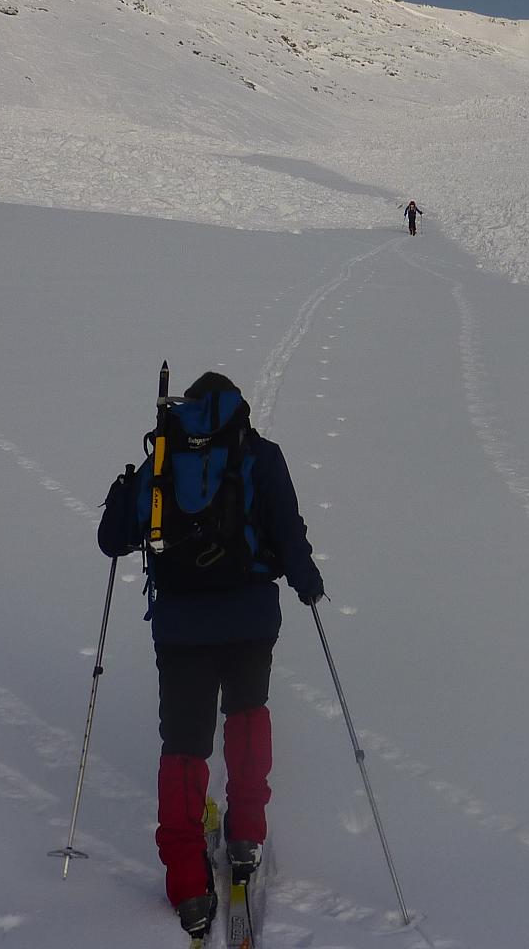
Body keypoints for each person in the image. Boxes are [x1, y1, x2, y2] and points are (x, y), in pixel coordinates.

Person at [97, 371, 325, 939]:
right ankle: (245, 836)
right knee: (247, 718)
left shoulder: (163, 458)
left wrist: (125, 488)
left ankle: (187, 885)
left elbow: (111, 539)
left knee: (184, 746)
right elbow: (288, 529)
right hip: (250, 621)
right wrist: (307, 582)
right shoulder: (261, 455)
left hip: (180, 628)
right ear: (237, 409)